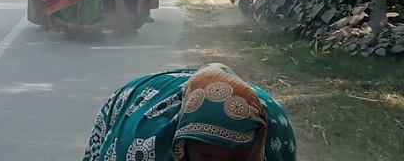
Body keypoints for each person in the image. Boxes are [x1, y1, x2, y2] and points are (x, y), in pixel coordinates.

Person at [82, 62, 297, 161]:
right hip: (141, 97)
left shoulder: (274, 129)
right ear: (182, 144)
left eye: (233, 160)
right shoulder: (142, 144)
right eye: (207, 156)